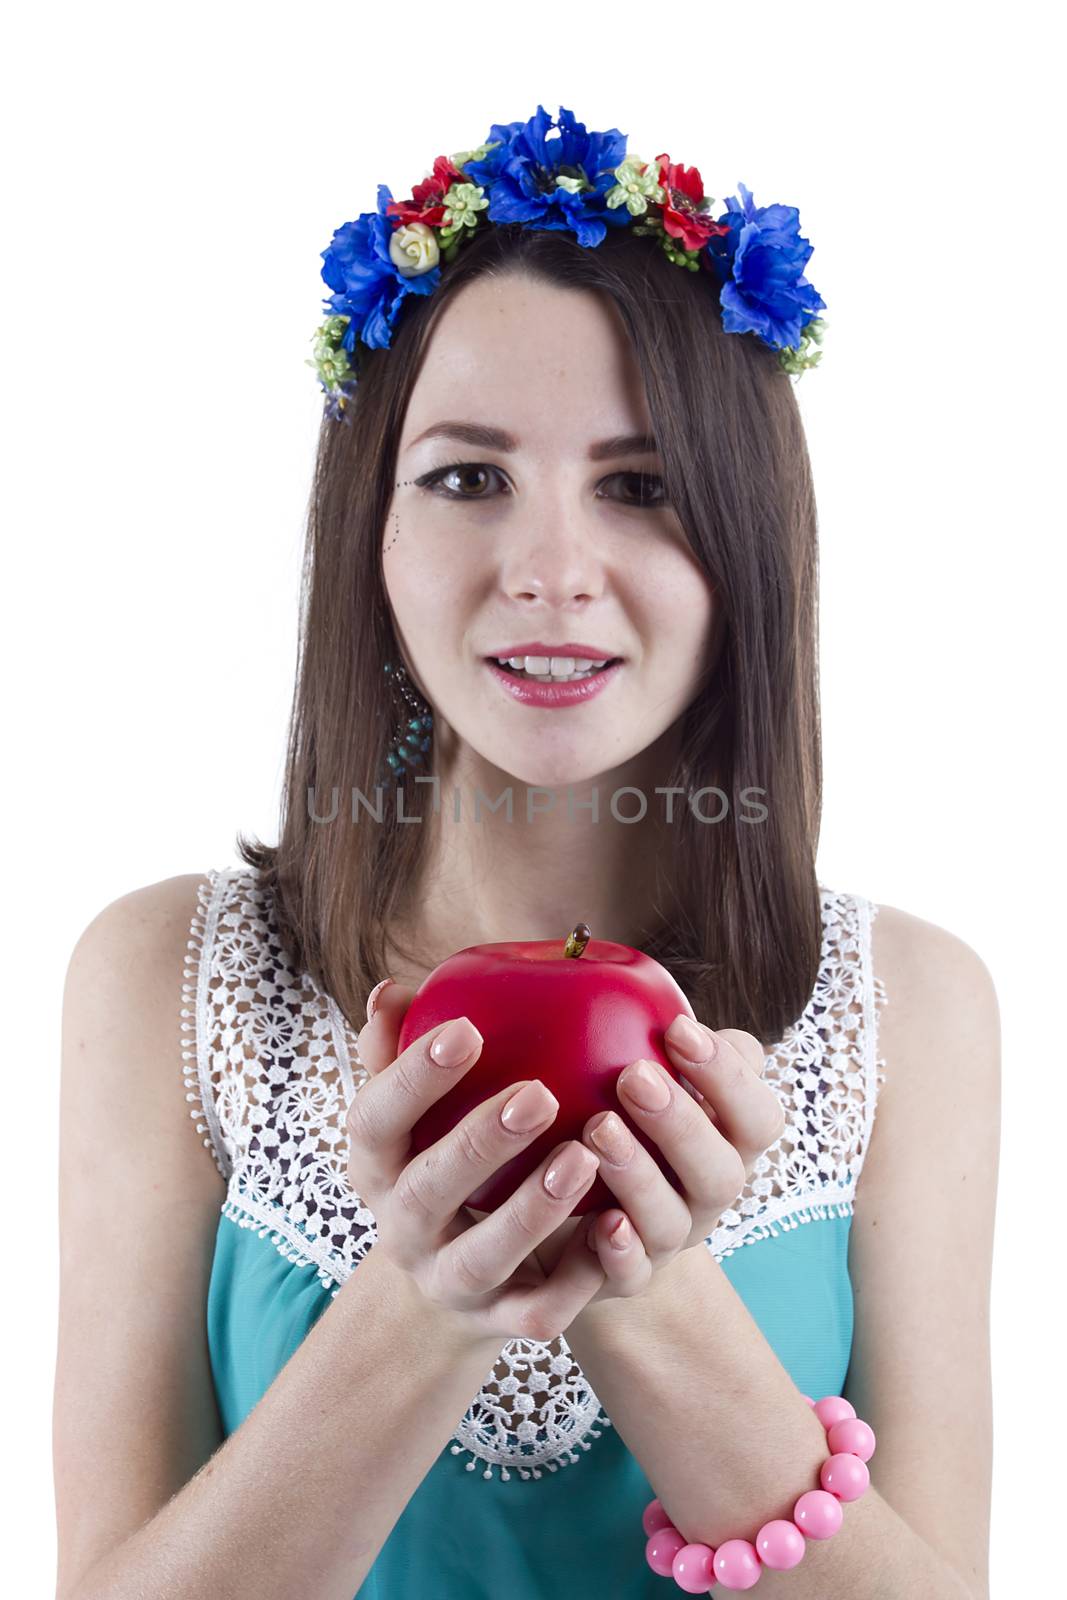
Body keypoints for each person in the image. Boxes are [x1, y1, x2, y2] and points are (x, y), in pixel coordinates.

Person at [53, 108, 998, 1600]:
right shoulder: (172, 982)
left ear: (748, 540)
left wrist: (650, 1288)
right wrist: (423, 1302)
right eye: (467, 477)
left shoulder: (911, 1009)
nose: (552, 570)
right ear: (371, 530)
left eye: (640, 484)